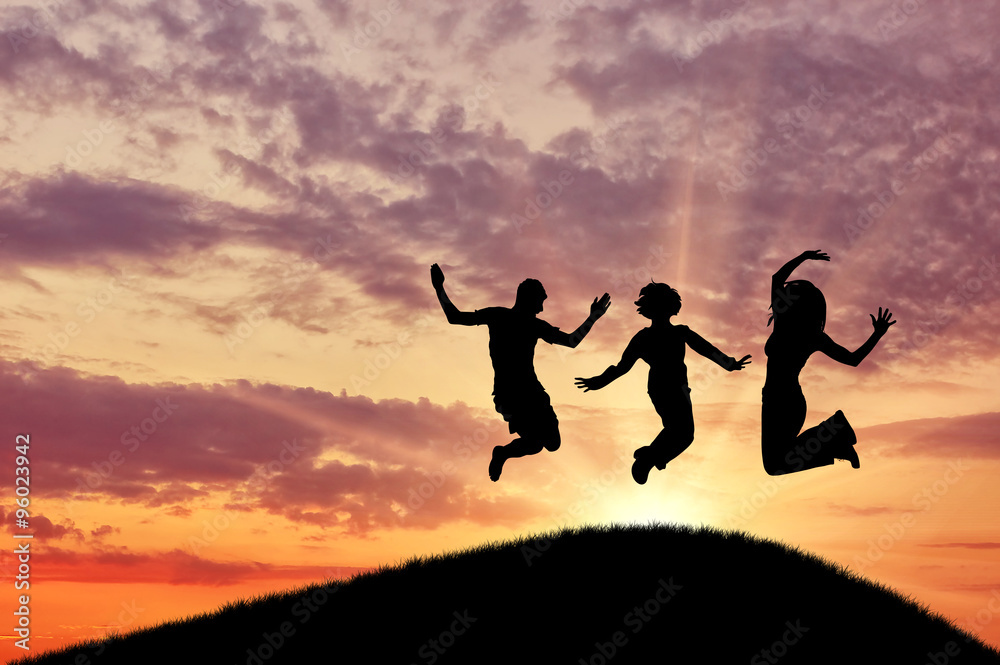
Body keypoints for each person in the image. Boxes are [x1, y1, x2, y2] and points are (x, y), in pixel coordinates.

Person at [431, 263, 611, 481]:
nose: (542, 308)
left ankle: (503, 452)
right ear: (529, 299)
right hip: (509, 396)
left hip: (533, 393)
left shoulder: (534, 325)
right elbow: (456, 318)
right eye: (541, 302)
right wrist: (439, 288)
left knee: (552, 444)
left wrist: (594, 317)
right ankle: (502, 453)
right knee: (536, 445)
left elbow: (571, 342)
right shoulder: (499, 316)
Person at [575, 281, 751, 484]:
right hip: (667, 388)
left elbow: (705, 348)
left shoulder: (672, 333)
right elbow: (622, 366)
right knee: (683, 433)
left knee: (679, 432)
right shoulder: (652, 337)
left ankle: (647, 457)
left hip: (669, 388)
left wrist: (729, 364)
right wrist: (599, 381)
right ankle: (647, 458)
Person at [761, 250, 895, 475]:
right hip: (784, 400)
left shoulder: (785, 324)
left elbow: (776, 279)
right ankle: (835, 440)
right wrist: (877, 334)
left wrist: (803, 257)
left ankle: (834, 432)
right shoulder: (811, 335)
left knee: (775, 465)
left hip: (781, 401)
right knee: (776, 463)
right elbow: (853, 360)